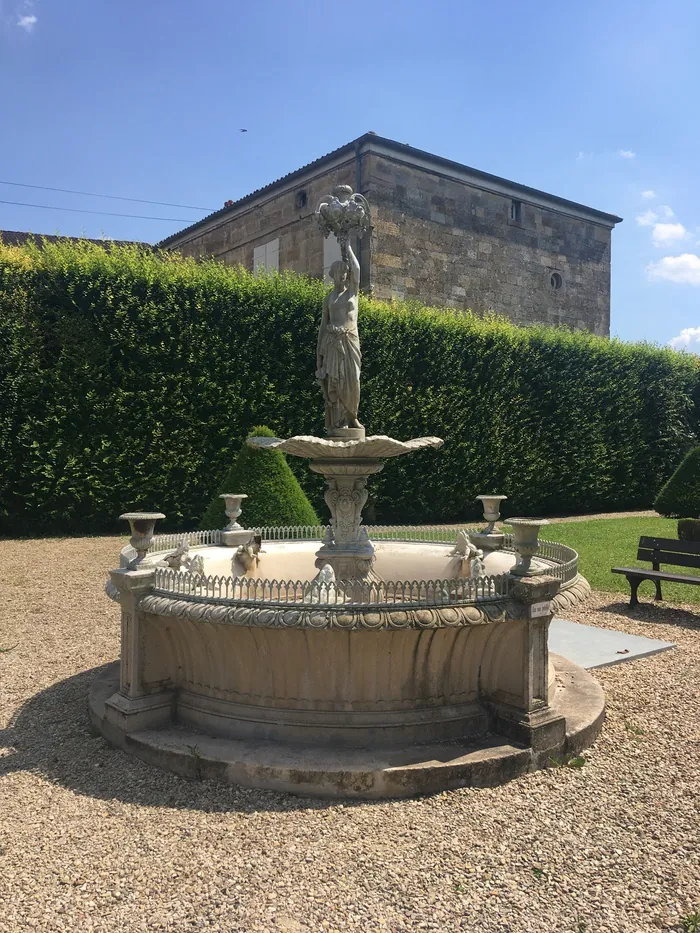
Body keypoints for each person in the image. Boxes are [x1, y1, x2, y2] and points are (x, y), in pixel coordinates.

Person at [316, 239, 363, 433]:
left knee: (353, 380)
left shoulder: (353, 292)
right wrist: (318, 354)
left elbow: (358, 269)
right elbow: (323, 325)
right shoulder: (329, 298)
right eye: (339, 273)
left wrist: (348, 247)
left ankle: (353, 416)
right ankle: (340, 420)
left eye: (345, 272)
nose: (343, 275)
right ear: (333, 275)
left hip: (350, 340)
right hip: (332, 342)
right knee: (335, 380)